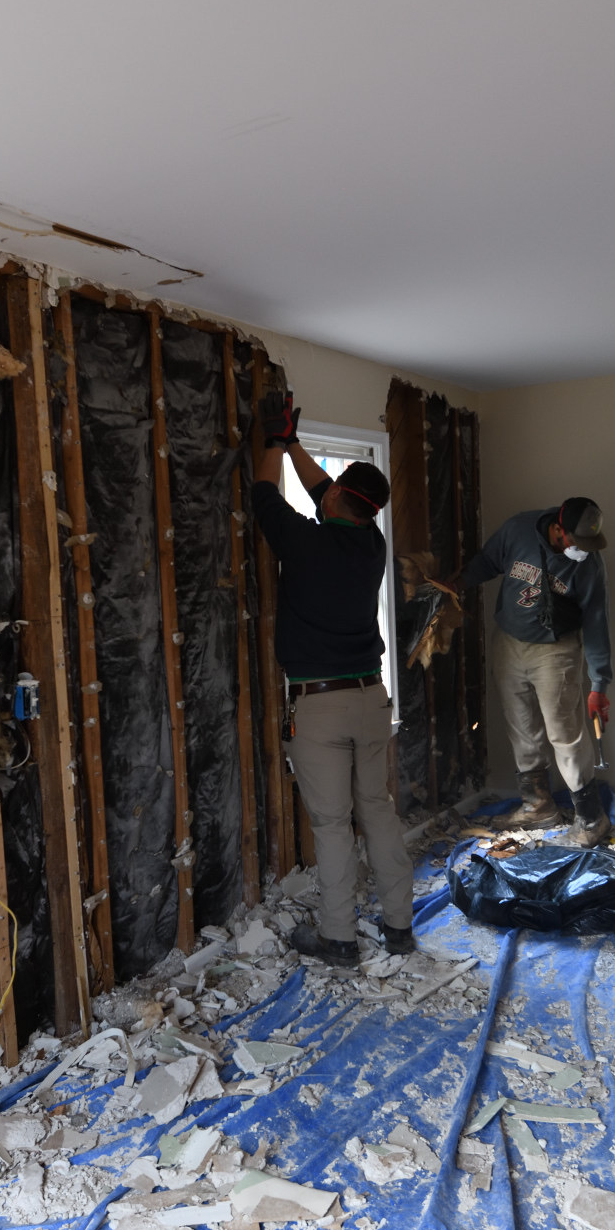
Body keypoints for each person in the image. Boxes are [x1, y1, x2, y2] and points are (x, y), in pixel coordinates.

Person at [250, 390, 415, 967]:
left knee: (332, 824)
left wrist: (274, 444)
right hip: (371, 698)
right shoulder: (371, 542)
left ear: (343, 496)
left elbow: (264, 493)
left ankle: (339, 937)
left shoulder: (304, 541)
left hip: (320, 708)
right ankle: (399, 927)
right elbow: (328, 492)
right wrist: (293, 442)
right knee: (377, 808)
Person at [453, 499, 614, 845]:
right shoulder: (518, 529)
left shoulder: (588, 564)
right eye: (575, 543)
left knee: (565, 733)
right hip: (509, 641)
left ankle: (591, 820)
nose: (581, 551)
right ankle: (538, 806)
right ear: (557, 529)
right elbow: (487, 562)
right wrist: (454, 584)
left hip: (556, 649)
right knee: (521, 726)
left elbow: (596, 620)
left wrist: (599, 683)